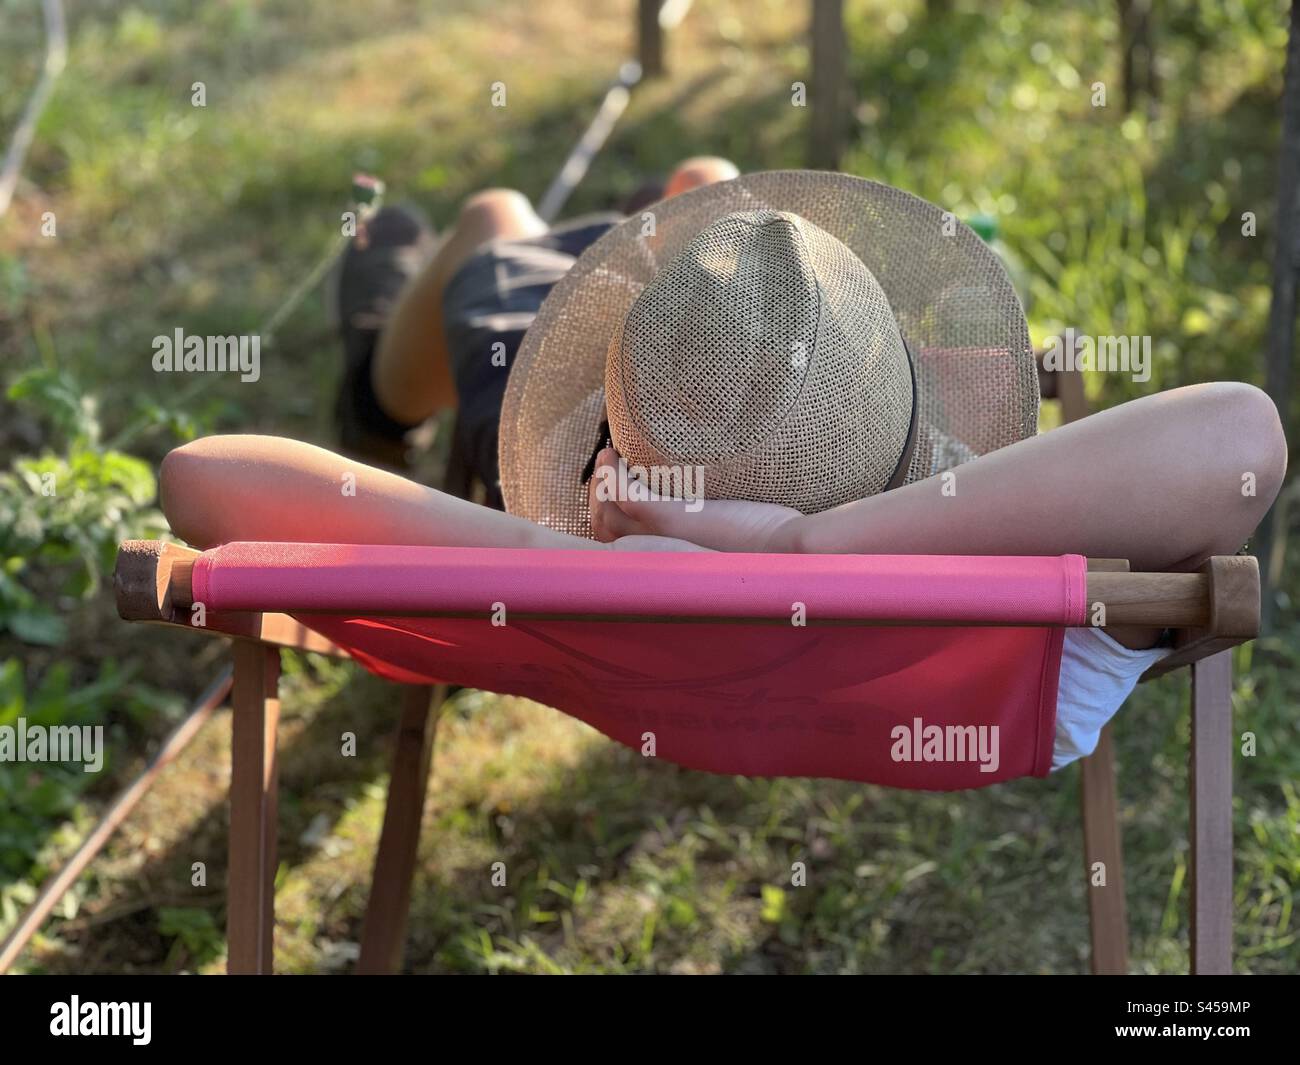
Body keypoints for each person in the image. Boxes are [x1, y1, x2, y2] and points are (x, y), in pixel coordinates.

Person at [159, 169, 1288, 771]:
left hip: (617, 483)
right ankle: (651, 240)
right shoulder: (1042, 653)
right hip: (669, 487)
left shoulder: (581, 572)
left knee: (496, 222)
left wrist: (590, 541)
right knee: (710, 201)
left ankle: (373, 381)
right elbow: (1242, 438)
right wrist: (796, 548)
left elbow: (200, 482)